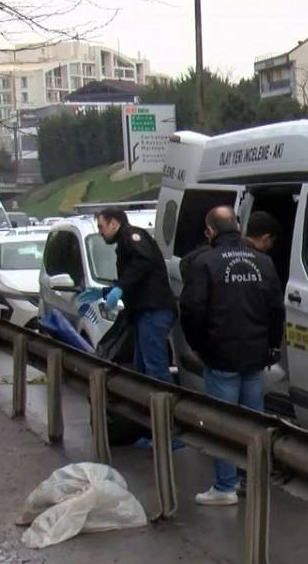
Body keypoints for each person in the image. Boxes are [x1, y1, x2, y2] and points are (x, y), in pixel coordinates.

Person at [180, 206, 284, 505]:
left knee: (223, 424)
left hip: (221, 356)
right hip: (255, 356)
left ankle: (224, 487)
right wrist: (272, 346)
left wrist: (197, 345)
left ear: (210, 231)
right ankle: (250, 480)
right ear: (236, 226)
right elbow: (276, 309)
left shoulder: (204, 263)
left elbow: (192, 309)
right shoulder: (263, 262)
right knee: (252, 423)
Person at [95, 207, 176, 384]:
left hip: (153, 309)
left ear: (114, 223)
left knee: (155, 368)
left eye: (101, 227)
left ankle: (162, 407)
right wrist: (109, 290)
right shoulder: (125, 240)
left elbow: (143, 260)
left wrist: (120, 287)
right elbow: (136, 275)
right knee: (141, 368)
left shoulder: (130, 236)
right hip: (144, 311)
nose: (100, 232)